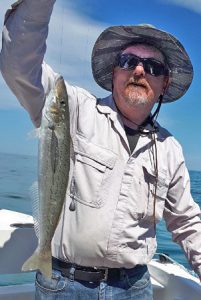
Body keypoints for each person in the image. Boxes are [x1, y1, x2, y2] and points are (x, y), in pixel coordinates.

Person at [1, 1, 201, 299]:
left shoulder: (170, 149)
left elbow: (186, 222)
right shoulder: (74, 108)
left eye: (153, 67)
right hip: (63, 284)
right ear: (113, 73)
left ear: (163, 84)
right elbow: (19, 64)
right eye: (127, 60)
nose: (138, 70)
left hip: (135, 288)